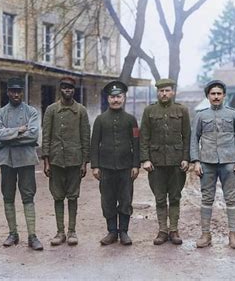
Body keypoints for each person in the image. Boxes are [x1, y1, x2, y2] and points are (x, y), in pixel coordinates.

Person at [190, 80, 235, 249]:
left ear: (224, 95)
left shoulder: (233, 113)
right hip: (206, 163)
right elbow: (194, 139)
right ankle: (205, 234)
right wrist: (196, 161)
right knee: (207, 198)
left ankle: (233, 234)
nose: (216, 97)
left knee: (231, 198)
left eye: (219, 94)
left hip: (229, 163)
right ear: (208, 96)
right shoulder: (201, 115)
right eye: (212, 94)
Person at [0, 77, 43, 250]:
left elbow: (33, 135)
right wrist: (18, 131)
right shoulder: (0, 113)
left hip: (26, 159)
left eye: (18, 91)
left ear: (22, 93)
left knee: (28, 196)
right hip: (7, 160)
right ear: (7, 93)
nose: (15, 94)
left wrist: (9, 137)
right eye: (12, 91)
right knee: (8, 196)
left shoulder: (31, 112)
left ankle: (32, 236)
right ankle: (13, 233)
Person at [140, 78, 190, 245]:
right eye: (161, 91)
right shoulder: (149, 111)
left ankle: (174, 230)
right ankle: (162, 230)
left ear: (173, 92)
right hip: (156, 162)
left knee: (175, 197)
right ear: (157, 92)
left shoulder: (182, 110)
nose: (164, 93)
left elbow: (187, 137)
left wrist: (185, 158)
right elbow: (144, 137)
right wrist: (145, 159)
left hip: (177, 162)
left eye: (167, 90)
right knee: (160, 198)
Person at [42, 77, 90, 246]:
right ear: (60, 89)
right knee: (57, 197)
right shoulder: (51, 110)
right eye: (64, 88)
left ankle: (72, 231)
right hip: (55, 161)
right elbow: (46, 137)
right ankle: (60, 231)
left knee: (73, 196)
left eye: (70, 88)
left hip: (74, 161)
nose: (67, 90)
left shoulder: (81, 111)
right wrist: (46, 162)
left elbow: (86, 138)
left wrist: (84, 162)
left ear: (74, 90)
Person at [90, 81, 140, 246]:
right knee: (108, 200)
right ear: (108, 99)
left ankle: (124, 232)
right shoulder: (100, 120)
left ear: (124, 98)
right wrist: (95, 166)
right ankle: (112, 231)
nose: (116, 100)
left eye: (119, 96)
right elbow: (94, 144)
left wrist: (135, 165)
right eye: (112, 97)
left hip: (126, 168)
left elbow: (136, 143)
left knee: (125, 200)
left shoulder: (131, 120)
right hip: (106, 168)